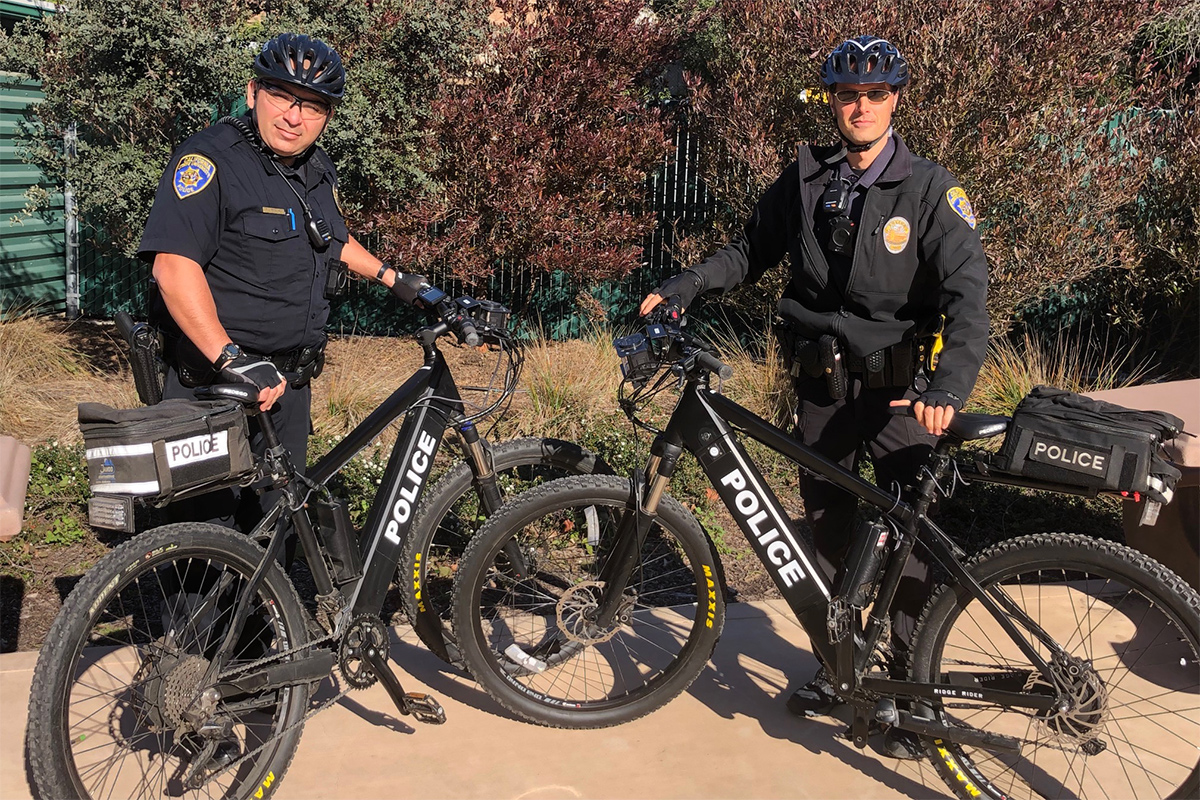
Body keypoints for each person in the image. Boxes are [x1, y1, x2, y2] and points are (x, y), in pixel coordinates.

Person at [640, 35, 988, 758]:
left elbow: (969, 296)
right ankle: (841, 665)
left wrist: (948, 386)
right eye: (847, 95)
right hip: (820, 382)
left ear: (895, 101)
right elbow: (748, 250)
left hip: (900, 392)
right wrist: (684, 286)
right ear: (833, 101)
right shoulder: (805, 178)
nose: (860, 107)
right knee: (826, 531)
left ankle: (903, 686)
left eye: (876, 94)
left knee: (907, 544)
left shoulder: (928, 189)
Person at [138, 33, 429, 530]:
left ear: (327, 117)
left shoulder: (315, 168)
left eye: (313, 107)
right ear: (253, 92)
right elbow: (173, 265)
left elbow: (332, 239)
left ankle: (266, 611)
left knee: (273, 533)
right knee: (203, 549)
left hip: (288, 387)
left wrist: (394, 278)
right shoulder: (209, 160)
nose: (295, 117)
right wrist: (230, 358)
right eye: (282, 97)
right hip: (216, 388)